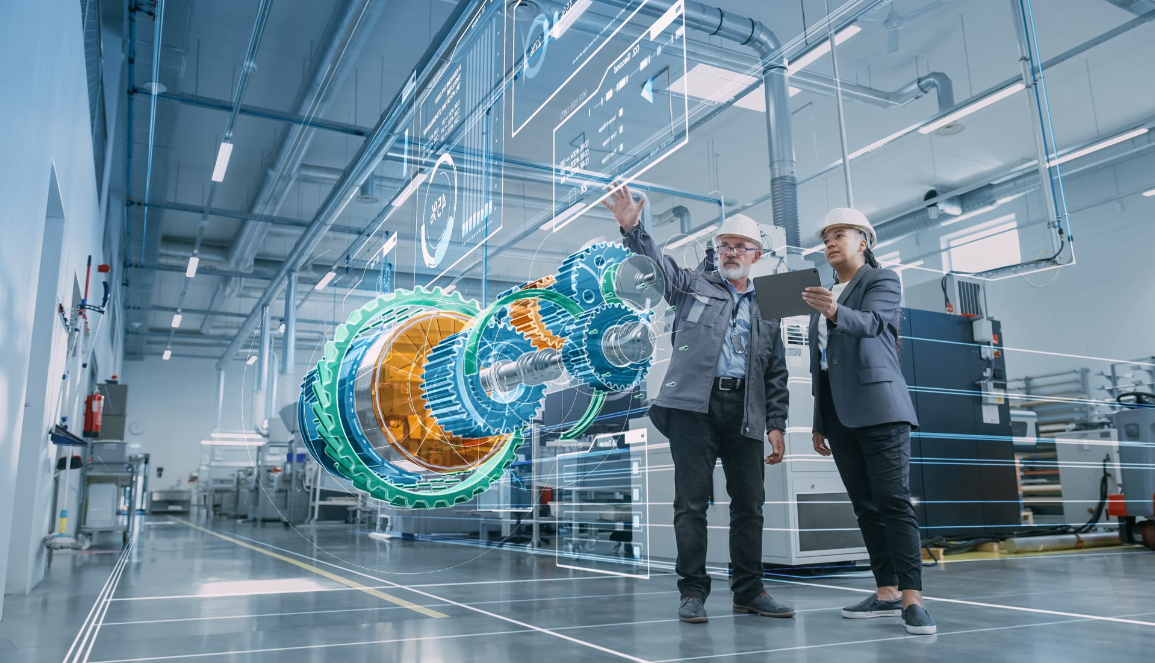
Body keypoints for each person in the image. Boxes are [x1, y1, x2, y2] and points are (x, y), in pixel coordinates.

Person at [602, 182, 792, 625]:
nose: (731, 252)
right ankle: (693, 592)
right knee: (691, 504)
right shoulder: (691, 286)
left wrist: (777, 423)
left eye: (741, 247)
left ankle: (749, 590)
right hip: (693, 409)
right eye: (725, 245)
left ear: (755, 256)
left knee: (750, 505)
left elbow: (775, 372)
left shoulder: (769, 305)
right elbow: (659, 270)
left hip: (745, 412)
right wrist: (634, 232)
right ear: (717, 250)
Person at [802, 207, 935, 636]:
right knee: (865, 505)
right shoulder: (821, 294)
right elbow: (820, 365)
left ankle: (913, 598)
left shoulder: (882, 281)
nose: (830, 243)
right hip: (839, 416)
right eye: (826, 238)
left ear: (864, 241)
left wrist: (835, 311)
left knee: (893, 499)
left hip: (880, 409)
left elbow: (875, 324)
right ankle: (886, 591)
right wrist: (819, 420)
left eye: (840, 234)